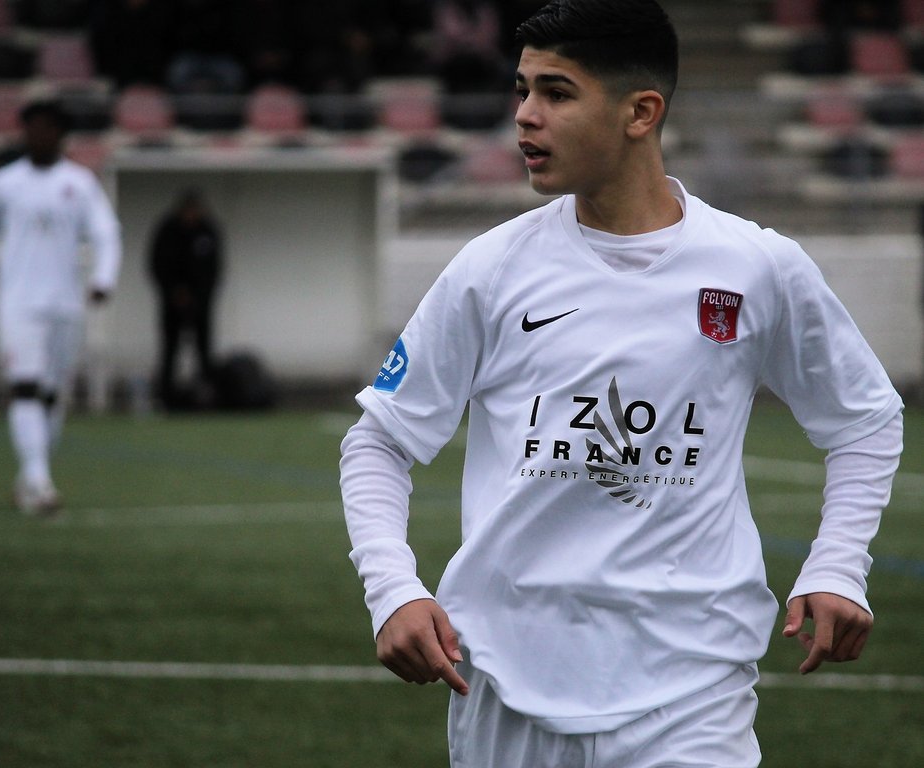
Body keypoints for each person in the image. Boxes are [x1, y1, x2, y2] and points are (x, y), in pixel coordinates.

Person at [339, 2, 904, 766]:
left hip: (692, 686)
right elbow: (379, 439)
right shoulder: (490, 269)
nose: (525, 118)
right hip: (504, 681)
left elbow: (864, 419)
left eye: (556, 93)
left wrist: (838, 564)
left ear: (641, 112)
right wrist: (393, 590)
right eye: (521, 90)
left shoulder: (754, 266)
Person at [0, 99, 121, 515]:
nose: (39, 135)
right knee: (26, 388)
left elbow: (107, 233)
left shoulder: (80, 183)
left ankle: (29, 479)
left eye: (48, 128)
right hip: (18, 303)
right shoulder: (4, 184)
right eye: (32, 127)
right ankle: (41, 483)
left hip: (65, 304)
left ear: (61, 135)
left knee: (52, 395)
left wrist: (104, 278)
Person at [148, 189, 223, 408]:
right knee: (170, 349)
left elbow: (214, 269)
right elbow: (157, 265)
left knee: (204, 350)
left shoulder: (208, 230)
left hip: (201, 303)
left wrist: (200, 296)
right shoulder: (168, 230)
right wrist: (173, 292)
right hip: (172, 302)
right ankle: (166, 398)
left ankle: (209, 398)